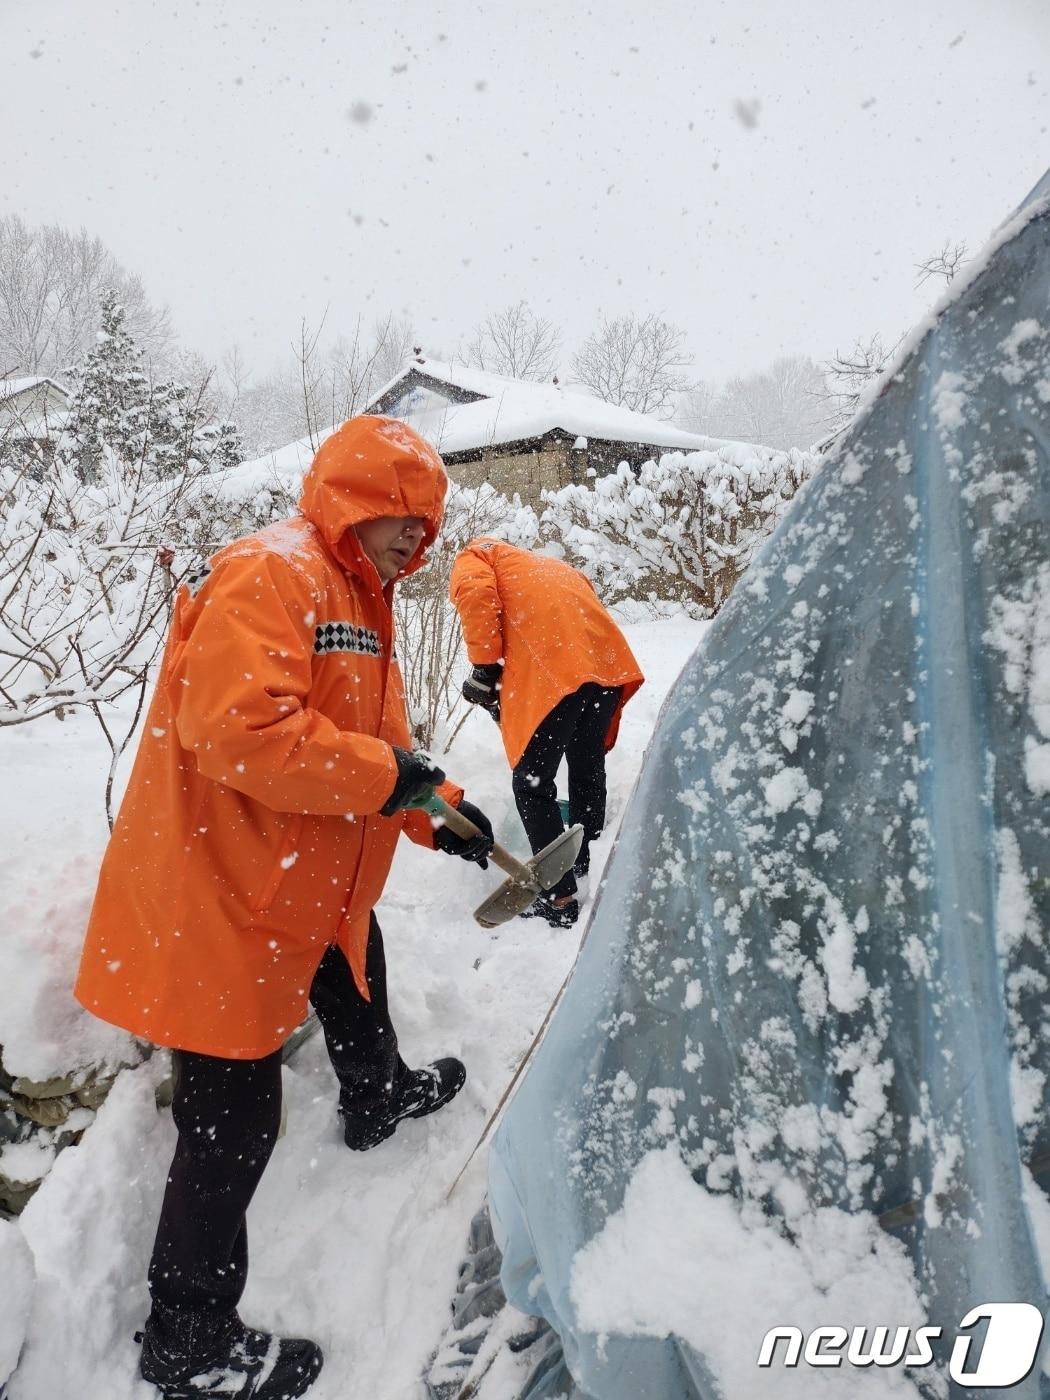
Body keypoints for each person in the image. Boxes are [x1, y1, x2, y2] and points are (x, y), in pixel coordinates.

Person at [74, 416, 495, 1400]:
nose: (413, 534)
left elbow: (381, 750)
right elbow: (242, 732)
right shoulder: (272, 572)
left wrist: (445, 812)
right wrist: (388, 774)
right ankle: (186, 1333)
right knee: (233, 1118)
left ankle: (376, 1089)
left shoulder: (361, 600)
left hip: (293, 874)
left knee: (357, 957)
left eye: (425, 521)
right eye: (399, 511)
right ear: (353, 493)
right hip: (221, 891)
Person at [449, 538, 643, 928]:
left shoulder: (476, 555)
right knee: (587, 766)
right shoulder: (547, 568)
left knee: (532, 786)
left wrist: (485, 669)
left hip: (561, 671)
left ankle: (560, 898)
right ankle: (586, 861)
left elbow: (474, 593)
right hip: (603, 668)